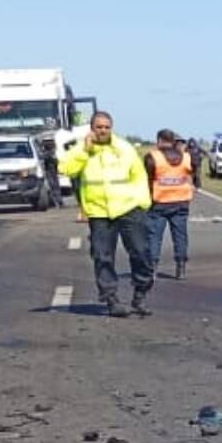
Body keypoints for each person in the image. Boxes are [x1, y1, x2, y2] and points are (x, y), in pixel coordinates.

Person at [58, 110, 155, 317]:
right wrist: (84, 150)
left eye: (106, 127)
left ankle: (140, 294)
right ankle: (111, 300)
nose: (102, 131)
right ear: (91, 129)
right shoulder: (81, 148)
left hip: (129, 208)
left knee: (140, 252)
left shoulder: (123, 148)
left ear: (112, 128)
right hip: (99, 211)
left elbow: (139, 176)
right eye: (98, 127)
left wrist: (143, 204)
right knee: (103, 257)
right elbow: (66, 168)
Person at [143, 128, 199, 278]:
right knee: (180, 236)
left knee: (154, 236)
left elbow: (147, 180)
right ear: (173, 141)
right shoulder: (186, 157)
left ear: (159, 141)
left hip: (159, 203)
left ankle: (152, 268)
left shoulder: (152, 157)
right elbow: (194, 172)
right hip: (181, 202)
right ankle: (181, 268)